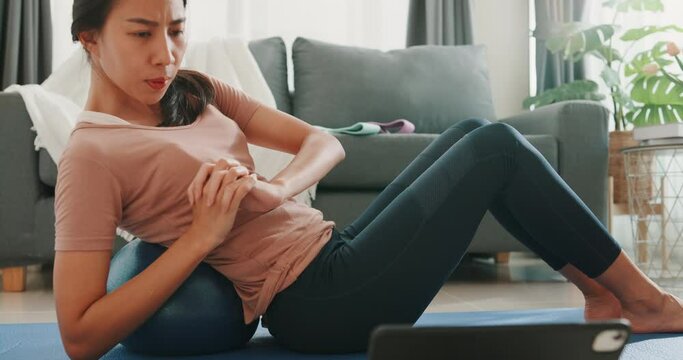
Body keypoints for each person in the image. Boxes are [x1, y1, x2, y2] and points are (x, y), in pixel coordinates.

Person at [53, 0, 683, 358]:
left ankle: (602, 295)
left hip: (333, 251)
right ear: (88, 38)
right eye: (141, 33)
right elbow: (79, 335)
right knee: (494, 148)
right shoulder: (93, 155)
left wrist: (276, 189)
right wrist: (199, 239)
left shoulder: (194, 90)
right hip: (312, 303)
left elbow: (322, 142)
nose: (165, 53)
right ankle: (648, 302)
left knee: (471, 130)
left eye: (177, 29)